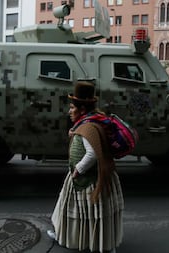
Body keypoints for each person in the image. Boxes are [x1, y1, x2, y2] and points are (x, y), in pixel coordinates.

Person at [48, 81, 124, 253]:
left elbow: (92, 154)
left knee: (90, 211)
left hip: (88, 178)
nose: (69, 111)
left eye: (72, 107)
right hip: (91, 175)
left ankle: (101, 244)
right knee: (68, 206)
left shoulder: (88, 127)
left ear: (82, 110)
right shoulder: (91, 121)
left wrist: (78, 169)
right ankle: (64, 233)